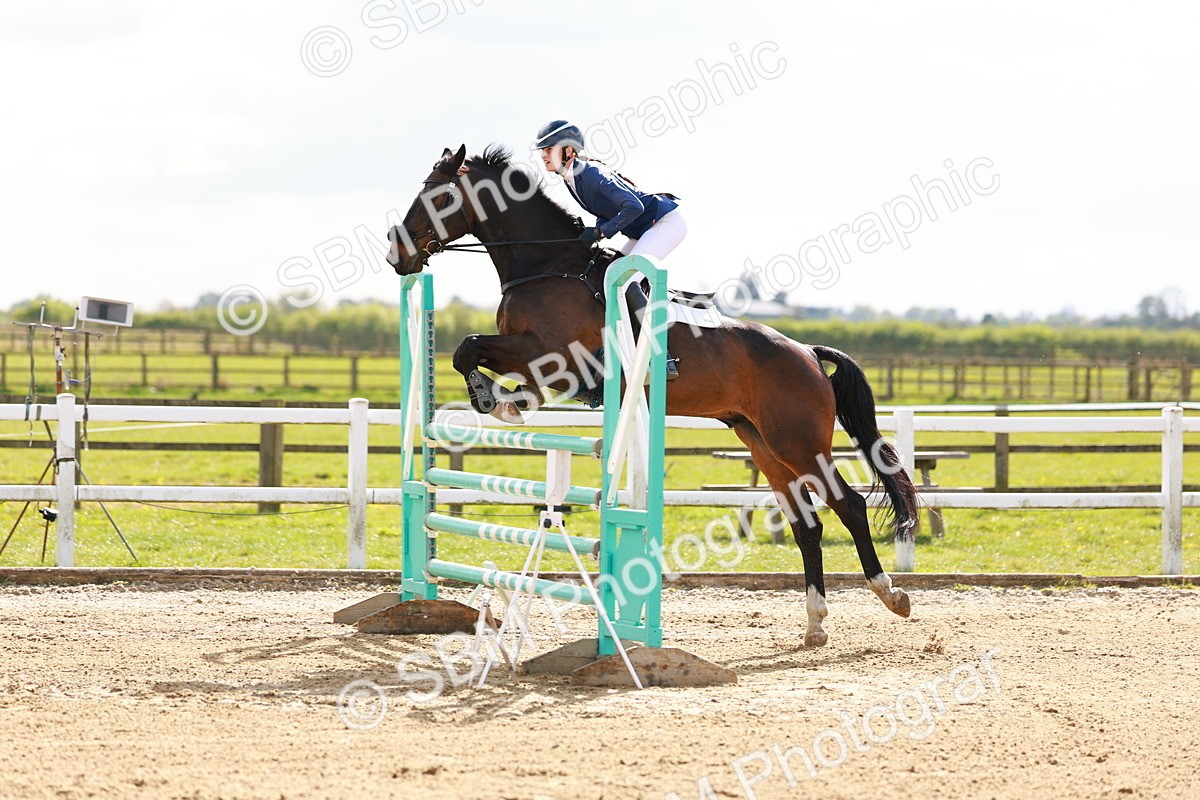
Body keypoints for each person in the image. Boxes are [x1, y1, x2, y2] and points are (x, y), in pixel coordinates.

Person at [533, 119, 684, 378]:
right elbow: (607, 210)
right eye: (543, 150)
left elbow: (633, 206)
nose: (544, 155)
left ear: (568, 150)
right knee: (609, 276)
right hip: (643, 229)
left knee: (625, 281)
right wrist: (594, 231)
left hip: (665, 223)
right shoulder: (571, 177)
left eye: (548, 149)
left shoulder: (588, 172)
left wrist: (602, 231)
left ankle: (663, 356)